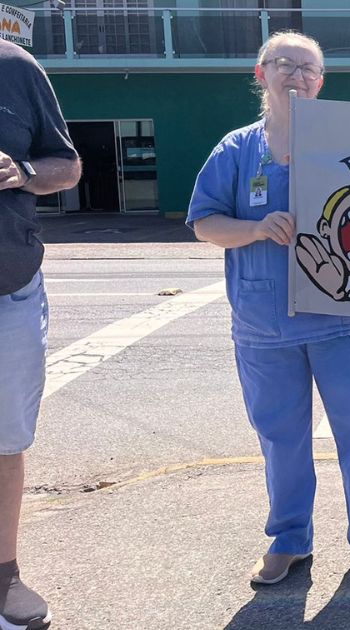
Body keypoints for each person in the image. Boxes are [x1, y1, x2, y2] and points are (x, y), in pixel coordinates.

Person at [187, 31, 350, 586]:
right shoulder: (235, 151)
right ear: (262, 74)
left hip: (342, 319)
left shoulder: (348, 145)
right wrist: (254, 228)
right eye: (286, 65)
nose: (297, 76)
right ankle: (289, 538)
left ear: (321, 83)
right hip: (263, 325)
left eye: (309, 69)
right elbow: (205, 222)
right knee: (281, 438)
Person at [0, 39, 82, 630]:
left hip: (8, 290)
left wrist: (22, 171)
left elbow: (68, 165)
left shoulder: (14, 67)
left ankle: (3, 577)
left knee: (5, 444)